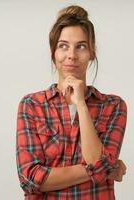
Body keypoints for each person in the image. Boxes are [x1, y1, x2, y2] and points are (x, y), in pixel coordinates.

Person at [16, 5, 127, 200]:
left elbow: (97, 162)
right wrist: (106, 167)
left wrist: (81, 105)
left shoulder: (114, 106)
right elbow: (31, 179)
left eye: (81, 46)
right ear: (53, 52)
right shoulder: (31, 105)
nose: (72, 55)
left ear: (92, 53)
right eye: (63, 46)